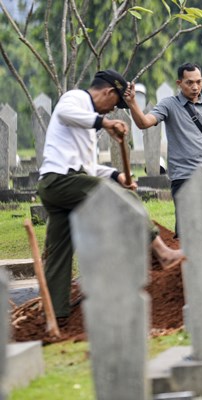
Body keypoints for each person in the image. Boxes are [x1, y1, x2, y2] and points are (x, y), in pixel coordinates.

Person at [37, 69, 184, 325]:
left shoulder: (89, 123)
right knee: (124, 201)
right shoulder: (75, 99)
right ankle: (162, 252)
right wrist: (104, 123)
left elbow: (90, 169)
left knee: (60, 251)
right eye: (114, 104)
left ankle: (55, 315)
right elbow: (63, 114)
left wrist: (117, 176)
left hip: (60, 186)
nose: (111, 111)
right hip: (60, 180)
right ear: (108, 92)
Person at [124, 62, 202, 237]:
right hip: (184, 176)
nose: (195, 87)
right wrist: (132, 102)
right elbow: (144, 122)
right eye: (189, 82)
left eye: (199, 82)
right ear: (179, 83)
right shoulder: (169, 105)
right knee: (186, 231)